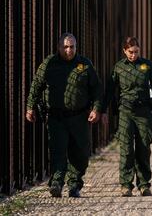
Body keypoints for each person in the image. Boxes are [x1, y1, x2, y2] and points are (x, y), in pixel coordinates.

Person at [25, 33, 103, 198]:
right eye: (65, 47)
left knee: (80, 153)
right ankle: (57, 183)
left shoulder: (84, 64)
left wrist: (96, 109)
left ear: (76, 47)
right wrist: (30, 107)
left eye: (72, 47)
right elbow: (36, 86)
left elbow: (96, 89)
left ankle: (74, 184)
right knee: (58, 151)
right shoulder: (49, 64)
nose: (69, 50)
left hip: (79, 117)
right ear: (59, 47)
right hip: (56, 117)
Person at [101, 37, 152, 197]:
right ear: (124, 51)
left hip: (143, 112)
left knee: (144, 148)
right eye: (130, 52)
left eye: (136, 52)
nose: (133, 55)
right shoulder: (119, 68)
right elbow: (109, 91)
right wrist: (103, 111)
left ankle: (144, 184)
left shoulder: (147, 65)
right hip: (125, 112)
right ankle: (125, 184)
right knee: (126, 149)